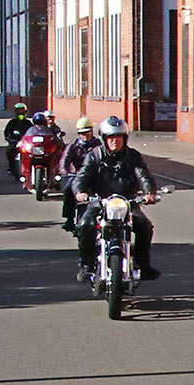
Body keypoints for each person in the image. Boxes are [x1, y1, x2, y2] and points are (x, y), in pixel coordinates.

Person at [72, 116, 160, 282]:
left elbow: (144, 176)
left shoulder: (133, 156)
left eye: (118, 137)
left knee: (144, 226)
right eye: (111, 137)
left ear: (124, 138)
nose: (115, 141)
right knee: (84, 226)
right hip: (100, 201)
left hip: (126, 202)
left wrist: (149, 192)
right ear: (104, 139)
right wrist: (80, 191)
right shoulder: (94, 156)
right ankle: (87, 265)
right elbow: (82, 176)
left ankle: (143, 265)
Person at [60, 116, 100, 230]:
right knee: (68, 189)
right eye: (82, 133)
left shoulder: (98, 146)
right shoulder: (73, 146)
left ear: (92, 131)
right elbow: (64, 159)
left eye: (87, 132)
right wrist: (64, 169)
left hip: (95, 175)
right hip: (78, 175)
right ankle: (69, 218)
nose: (85, 135)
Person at [2, 102, 31, 180]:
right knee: (9, 150)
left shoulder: (28, 123)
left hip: (26, 143)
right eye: (18, 111)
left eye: (22, 111)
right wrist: (9, 139)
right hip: (15, 142)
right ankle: (11, 166)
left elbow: (32, 132)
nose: (20, 113)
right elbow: (6, 132)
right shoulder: (12, 123)